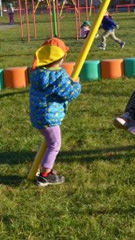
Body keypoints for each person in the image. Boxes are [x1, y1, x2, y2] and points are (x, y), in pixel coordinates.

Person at [29, 38, 81, 186]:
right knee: (55, 144)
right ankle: (45, 174)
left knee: (49, 141)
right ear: (63, 57)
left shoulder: (37, 73)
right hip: (50, 117)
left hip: (37, 115)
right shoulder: (58, 75)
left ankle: (43, 168)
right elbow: (70, 93)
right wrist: (76, 84)